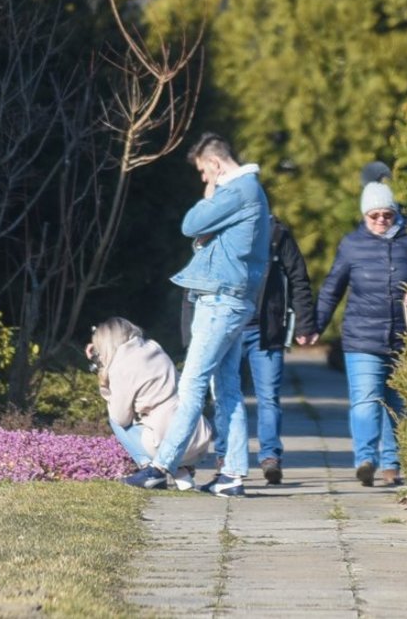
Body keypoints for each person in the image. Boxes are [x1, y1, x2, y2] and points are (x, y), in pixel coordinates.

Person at [122, 132, 271, 497]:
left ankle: (160, 467)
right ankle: (231, 475)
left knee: (191, 385)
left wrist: (210, 194)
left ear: (216, 164)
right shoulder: (250, 191)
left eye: (204, 171)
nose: (204, 178)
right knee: (227, 389)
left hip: (220, 302)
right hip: (232, 300)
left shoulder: (236, 191)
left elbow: (191, 224)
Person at [315, 180, 407, 487]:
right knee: (366, 401)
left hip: (405, 340)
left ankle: (392, 465)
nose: (381, 220)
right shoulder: (352, 245)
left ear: (396, 213)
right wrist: (313, 327)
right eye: (374, 215)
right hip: (362, 338)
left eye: (387, 215)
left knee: (397, 405)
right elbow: (332, 289)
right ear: (364, 215)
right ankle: (365, 460)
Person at [86, 317, 212, 490]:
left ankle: (148, 471)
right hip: (198, 438)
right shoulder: (154, 347)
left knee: (116, 420)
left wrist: (100, 369)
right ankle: (181, 473)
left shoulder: (120, 366)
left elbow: (120, 418)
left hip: (163, 442)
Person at [239, 217, 318, 484]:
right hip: (229, 330)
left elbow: (298, 278)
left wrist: (305, 324)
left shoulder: (276, 233)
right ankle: (226, 457)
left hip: (267, 329)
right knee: (228, 397)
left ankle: (270, 457)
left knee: (269, 397)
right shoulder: (222, 226)